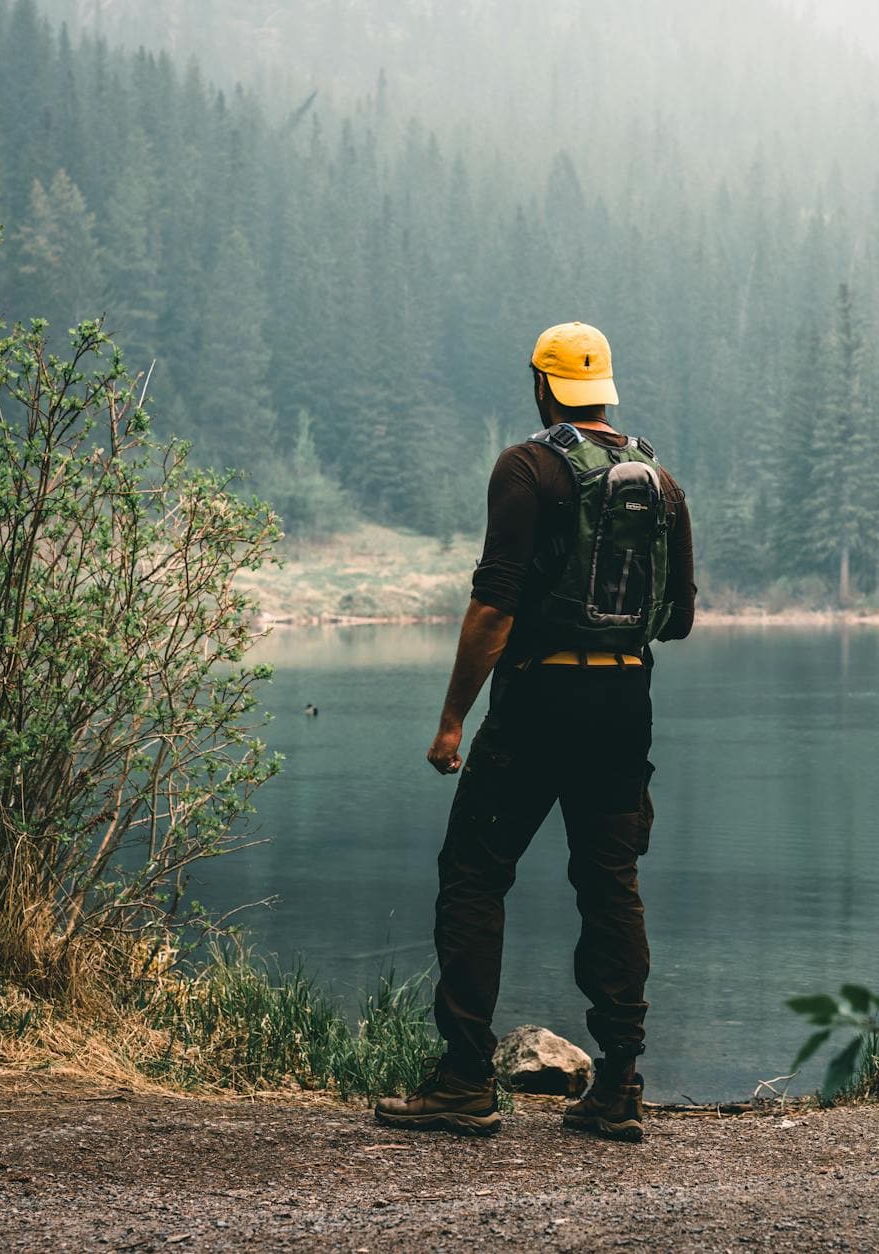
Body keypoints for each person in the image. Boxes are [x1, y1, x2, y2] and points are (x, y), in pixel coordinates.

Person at [374, 321, 696, 1141]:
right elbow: (681, 620)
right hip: (626, 706)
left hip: (538, 702)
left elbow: (494, 604)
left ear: (543, 386)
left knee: (476, 875)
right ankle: (619, 1082)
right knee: (610, 883)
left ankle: (464, 1082)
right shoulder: (660, 482)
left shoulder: (526, 467)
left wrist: (452, 721)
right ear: (606, 390)